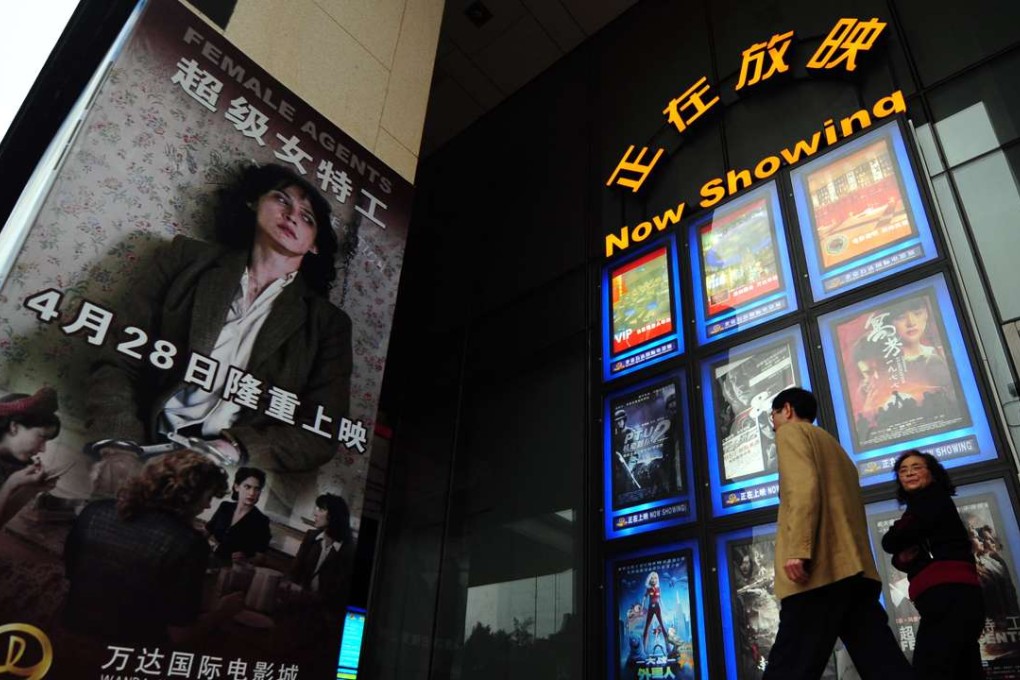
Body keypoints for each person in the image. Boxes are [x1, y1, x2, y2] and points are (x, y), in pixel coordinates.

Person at [86, 163, 353, 476]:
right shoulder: (184, 258)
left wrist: (233, 449)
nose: (292, 215)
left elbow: (320, 431)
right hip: (141, 443)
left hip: (230, 471)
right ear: (254, 202)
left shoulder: (328, 324)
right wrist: (119, 446)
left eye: (307, 218)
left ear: (315, 244)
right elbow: (116, 360)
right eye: (282, 200)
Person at [763, 387, 911, 679]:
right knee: (883, 662)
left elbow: (803, 489)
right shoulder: (835, 448)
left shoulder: (791, 434)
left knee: (790, 664)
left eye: (774, 415)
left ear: (788, 410)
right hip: (854, 573)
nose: (774, 423)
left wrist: (798, 549)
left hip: (819, 572)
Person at [63, 451, 240, 646]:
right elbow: (180, 635)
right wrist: (223, 611)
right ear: (188, 495)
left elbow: (71, 572)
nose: (207, 506)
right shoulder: (189, 543)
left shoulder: (95, 510)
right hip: (130, 653)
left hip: (68, 631)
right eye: (208, 497)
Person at [880, 450, 983, 679]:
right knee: (964, 668)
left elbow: (891, 541)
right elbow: (903, 552)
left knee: (931, 668)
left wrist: (897, 545)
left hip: (949, 598)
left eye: (916, 467)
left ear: (932, 473)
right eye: (903, 470)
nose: (909, 473)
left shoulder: (930, 498)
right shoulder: (922, 505)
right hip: (954, 598)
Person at [0, 388, 61, 527]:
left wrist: (31, 489)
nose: (43, 449)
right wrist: (10, 484)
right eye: (42, 437)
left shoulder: (9, 464)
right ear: (14, 427)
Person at [290, 492, 355, 608]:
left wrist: (305, 595)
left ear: (334, 515)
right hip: (298, 604)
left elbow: (337, 595)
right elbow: (294, 571)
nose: (315, 513)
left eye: (320, 509)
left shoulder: (348, 550)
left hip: (324, 613)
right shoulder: (311, 537)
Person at [205, 466, 271, 564]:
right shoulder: (225, 507)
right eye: (247, 487)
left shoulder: (261, 520)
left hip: (234, 570)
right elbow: (207, 531)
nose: (252, 493)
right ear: (237, 487)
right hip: (209, 561)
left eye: (257, 489)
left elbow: (261, 557)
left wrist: (246, 560)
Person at [642, 571, 666, 651]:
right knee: (646, 628)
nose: (653, 580)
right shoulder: (648, 589)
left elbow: (661, 599)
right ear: (649, 579)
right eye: (652, 578)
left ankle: (669, 649)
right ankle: (643, 650)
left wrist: (664, 608)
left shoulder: (659, 588)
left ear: (657, 579)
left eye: (655, 578)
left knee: (663, 627)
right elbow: (644, 598)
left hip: (657, 608)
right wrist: (642, 607)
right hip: (650, 608)